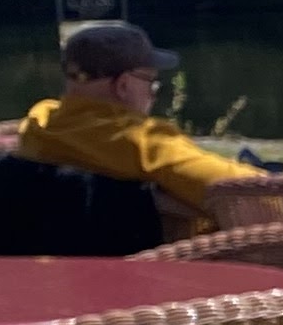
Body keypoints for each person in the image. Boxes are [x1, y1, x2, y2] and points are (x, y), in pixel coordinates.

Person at [16, 21, 263, 236]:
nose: (154, 93)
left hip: (61, 255)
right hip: (168, 263)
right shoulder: (144, 143)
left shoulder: (37, 124)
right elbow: (244, 192)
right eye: (151, 82)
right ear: (123, 86)